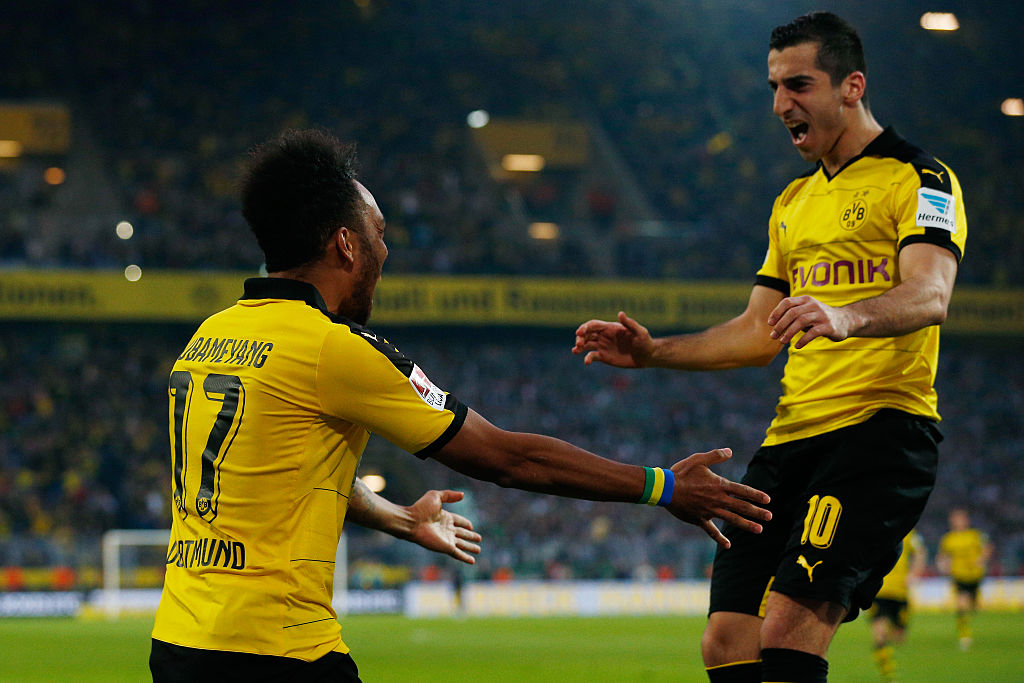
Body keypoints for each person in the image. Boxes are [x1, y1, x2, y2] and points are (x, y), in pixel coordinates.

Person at [149, 128, 772, 682]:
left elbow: (281, 474)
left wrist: (399, 518)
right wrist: (663, 486)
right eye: (379, 234)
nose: (385, 252)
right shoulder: (332, 348)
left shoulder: (210, 336)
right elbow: (506, 458)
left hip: (179, 643)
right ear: (345, 245)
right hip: (274, 652)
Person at [573, 12, 967, 683]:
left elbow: (930, 293)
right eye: (775, 87)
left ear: (852, 86)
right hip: (789, 444)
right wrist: (654, 352)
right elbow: (760, 333)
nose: (782, 104)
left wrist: (844, 315)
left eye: (799, 85)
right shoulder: (792, 202)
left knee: (788, 630)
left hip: (879, 431)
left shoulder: (921, 177)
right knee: (727, 639)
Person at [869, 529, 926, 682]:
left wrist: (915, 572)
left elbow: (920, 552)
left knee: (899, 637)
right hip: (879, 591)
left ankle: (886, 655)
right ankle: (888, 673)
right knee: (879, 633)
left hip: (900, 591)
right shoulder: (875, 528)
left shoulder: (908, 531)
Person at [937, 507, 991, 650]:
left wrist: (981, 559)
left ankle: (966, 626)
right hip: (958, 576)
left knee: (973, 608)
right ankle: (964, 636)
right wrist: (943, 565)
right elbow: (942, 556)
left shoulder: (975, 535)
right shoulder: (948, 539)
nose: (958, 522)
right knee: (961, 606)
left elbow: (987, 548)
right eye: (955, 519)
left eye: (960, 519)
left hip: (975, 575)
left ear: (966, 520)